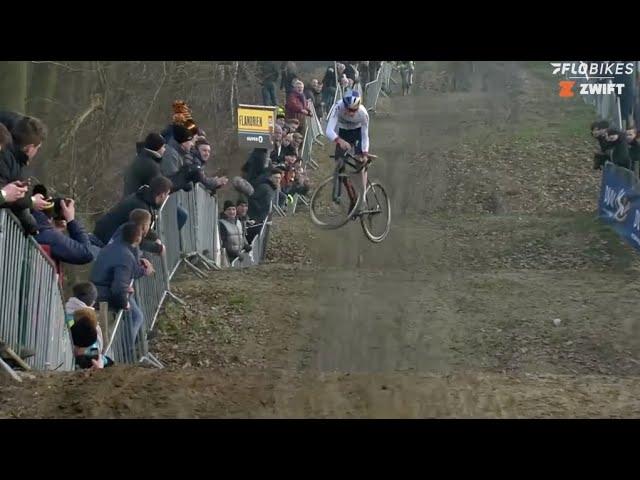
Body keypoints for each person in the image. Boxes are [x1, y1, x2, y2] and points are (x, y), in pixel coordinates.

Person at [325, 90, 371, 214]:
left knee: (360, 163)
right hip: (343, 133)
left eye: (353, 111)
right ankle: (343, 196)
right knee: (339, 165)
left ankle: (363, 196)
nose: (350, 113)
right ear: (344, 105)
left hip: (358, 133)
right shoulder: (338, 106)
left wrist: (364, 153)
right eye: (348, 109)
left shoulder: (363, 113)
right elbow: (328, 130)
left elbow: (365, 136)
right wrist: (339, 140)